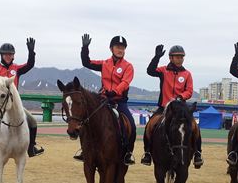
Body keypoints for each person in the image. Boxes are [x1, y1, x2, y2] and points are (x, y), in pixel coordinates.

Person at [0, 39, 44, 160]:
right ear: (1, 55)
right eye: (6, 54)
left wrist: (31, 52)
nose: (8, 56)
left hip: (14, 105)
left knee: (33, 121)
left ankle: (31, 147)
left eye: (10, 54)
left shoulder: (16, 68)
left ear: (13, 56)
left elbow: (29, 65)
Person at [76, 33, 136, 165]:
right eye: (117, 47)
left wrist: (114, 92)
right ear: (111, 49)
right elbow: (86, 62)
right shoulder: (104, 64)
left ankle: (128, 153)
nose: (120, 50)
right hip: (103, 99)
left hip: (119, 101)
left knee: (131, 125)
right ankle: (84, 149)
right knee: (86, 120)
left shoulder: (128, 66)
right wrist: (85, 48)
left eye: (122, 47)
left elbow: (125, 82)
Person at [141, 44, 203, 168]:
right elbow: (150, 71)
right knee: (150, 125)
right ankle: (147, 152)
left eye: (182, 57)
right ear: (170, 58)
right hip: (165, 108)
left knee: (194, 127)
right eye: (177, 57)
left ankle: (197, 153)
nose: (180, 59)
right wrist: (156, 57)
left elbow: (189, 91)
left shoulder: (187, 74)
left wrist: (181, 96)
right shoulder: (163, 71)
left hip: (181, 109)